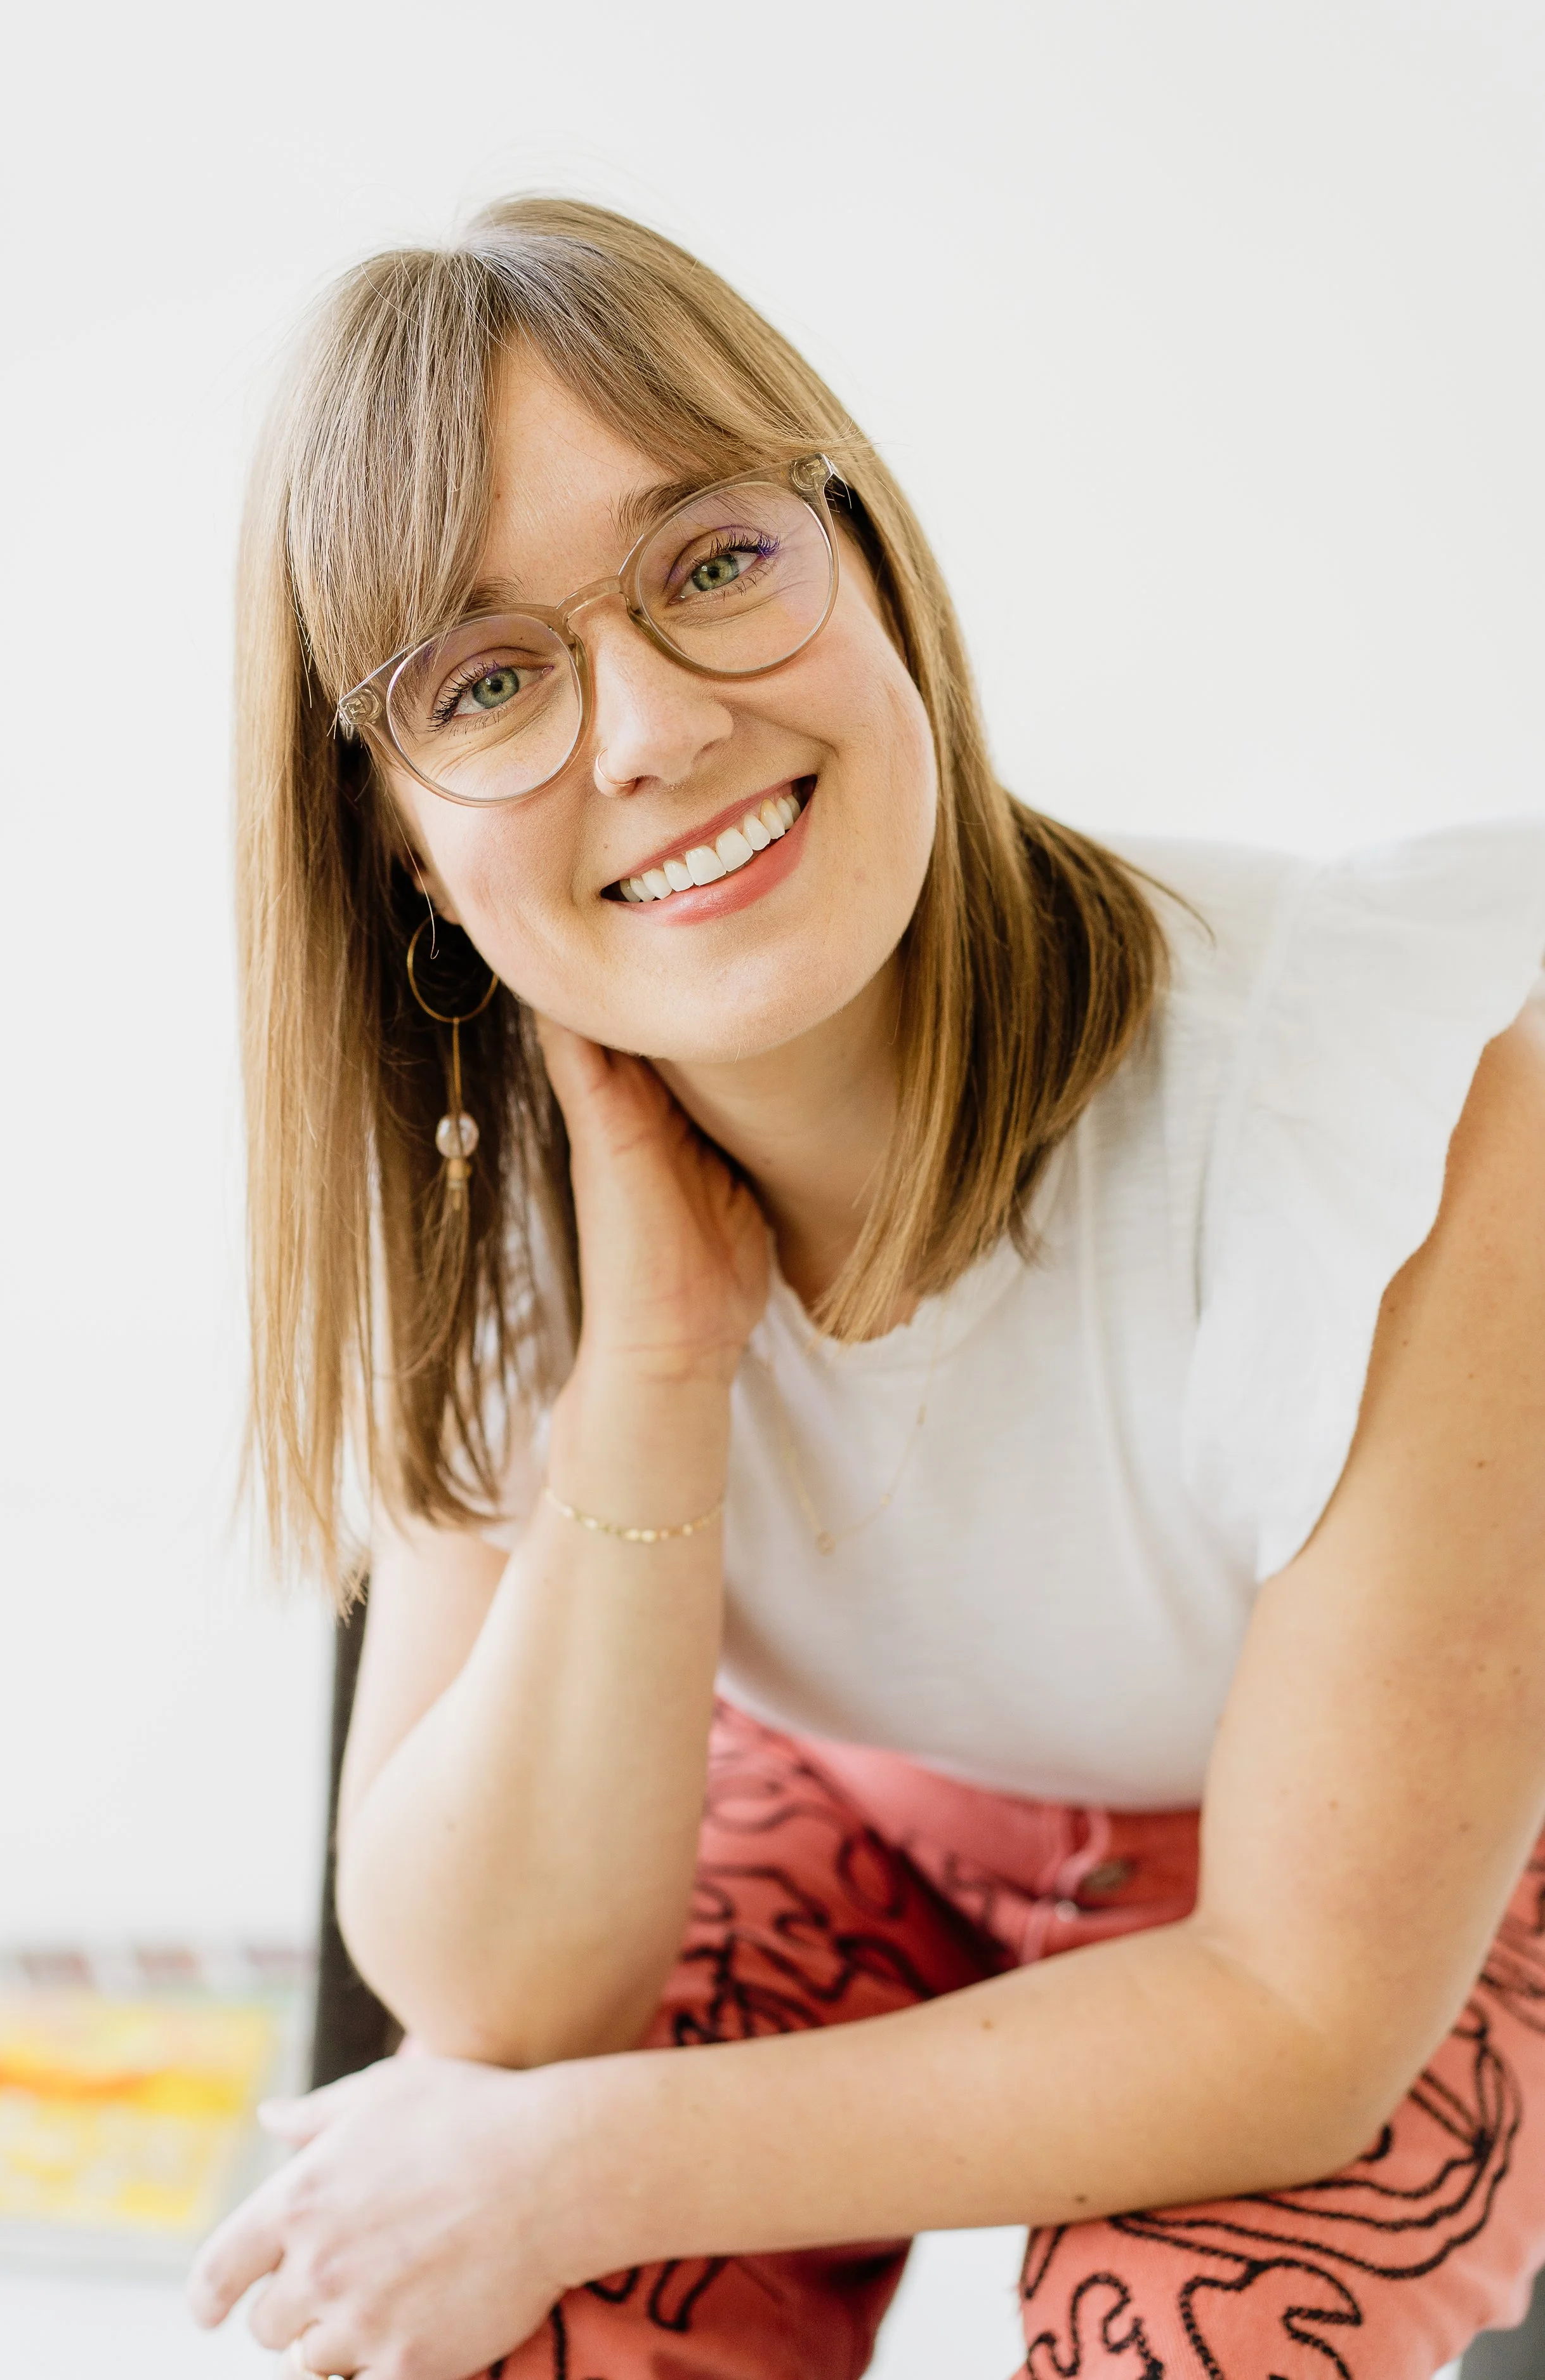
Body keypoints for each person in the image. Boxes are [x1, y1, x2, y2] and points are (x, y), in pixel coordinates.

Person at [187, 197, 1545, 2380]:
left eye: (712, 561)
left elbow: (1298, 2017)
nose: (649, 727)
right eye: (485, 682)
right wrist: (656, 1355)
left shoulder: (1384, 1094)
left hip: (1402, 1874)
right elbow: (497, 1993)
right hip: (863, 1804)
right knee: (504, 2326)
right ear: (399, 847)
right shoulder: (502, 1167)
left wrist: (565, 2165)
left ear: (870, 562)